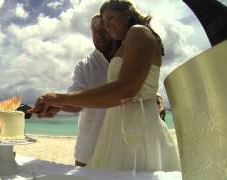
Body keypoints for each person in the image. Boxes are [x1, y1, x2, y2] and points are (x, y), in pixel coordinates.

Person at [31, 0, 180, 171]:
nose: (105, 28)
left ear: (127, 13)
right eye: (96, 30)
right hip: (109, 137)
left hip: (135, 132)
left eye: (109, 20)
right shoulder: (95, 60)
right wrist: (58, 104)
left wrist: (60, 98)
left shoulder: (138, 33)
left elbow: (126, 90)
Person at [29, 14, 117, 167]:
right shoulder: (84, 65)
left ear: (112, 29)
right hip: (89, 147)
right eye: (94, 32)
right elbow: (75, 102)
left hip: (122, 146)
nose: (98, 36)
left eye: (102, 30)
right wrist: (55, 104)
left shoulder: (126, 59)